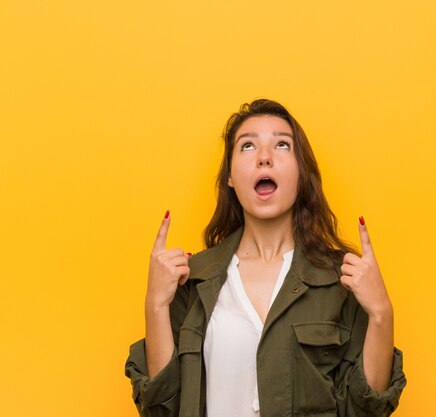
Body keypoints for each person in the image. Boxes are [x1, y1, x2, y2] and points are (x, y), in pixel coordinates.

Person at [125, 99, 407, 417]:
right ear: (230, 176)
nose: (264, 158)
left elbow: (364, 410)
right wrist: (155, 304)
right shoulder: (192, 279)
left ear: (301, 173)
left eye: (282, 145)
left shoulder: (341, 280)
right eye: (247, 146)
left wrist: (382, 312)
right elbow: (162, 410)